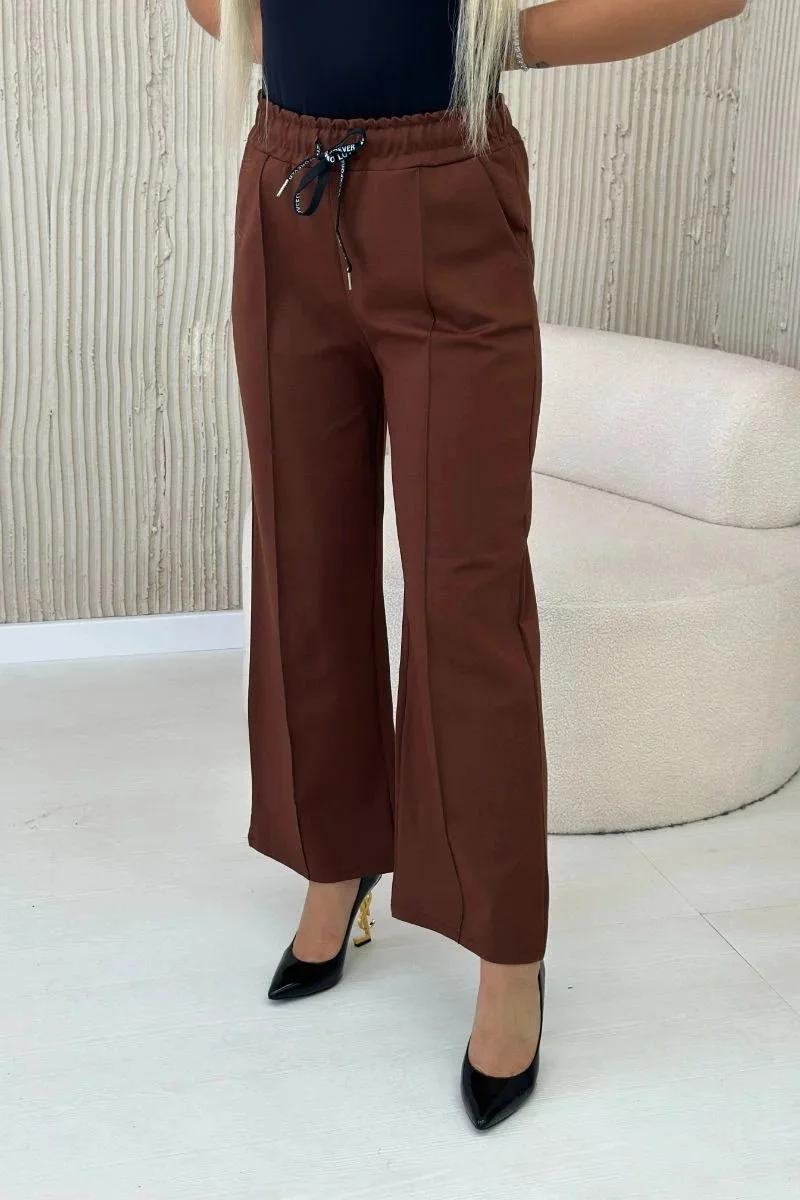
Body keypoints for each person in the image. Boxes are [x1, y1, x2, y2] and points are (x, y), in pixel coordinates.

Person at [185, 0, 746, 1131]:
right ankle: (335, 861)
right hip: (286, 181)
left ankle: (505, 951)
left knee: (465, 590)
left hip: (445, 182)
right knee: (301, 556)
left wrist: (501, 43)